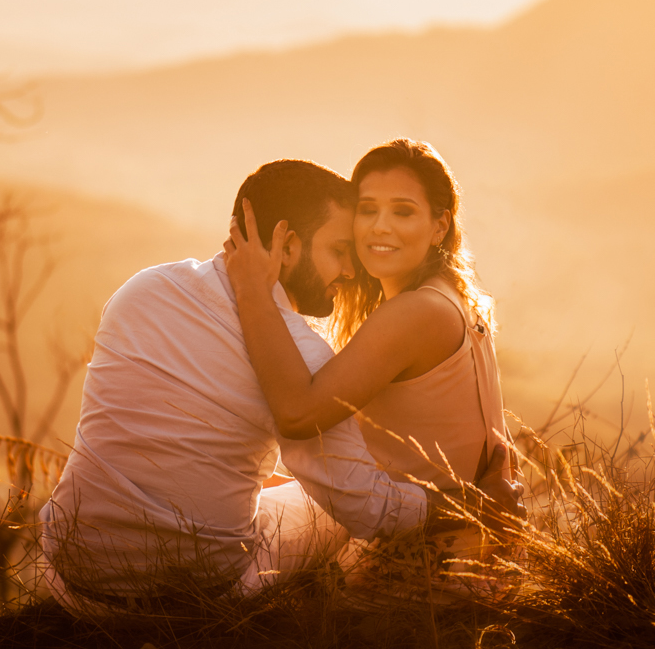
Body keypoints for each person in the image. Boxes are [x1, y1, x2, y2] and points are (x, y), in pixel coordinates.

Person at [38, 157, 519, 615]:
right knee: (329, 510)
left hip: (73, 575)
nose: (350, 272)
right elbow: (364, 506)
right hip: (200, 589)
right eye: (338, 251)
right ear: (287, 246)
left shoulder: (142, 289)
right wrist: (470, 506)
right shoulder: (300, 355)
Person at [222, 138, 519, 601]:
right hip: (468, 551)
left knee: (220, 550)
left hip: (423, 573)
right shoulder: (452, 297)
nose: (380, 227)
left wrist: (251, 291)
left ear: (439, 225)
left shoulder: (414, 314)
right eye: (367, 209)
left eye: (403, 211)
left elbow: (299, 417)